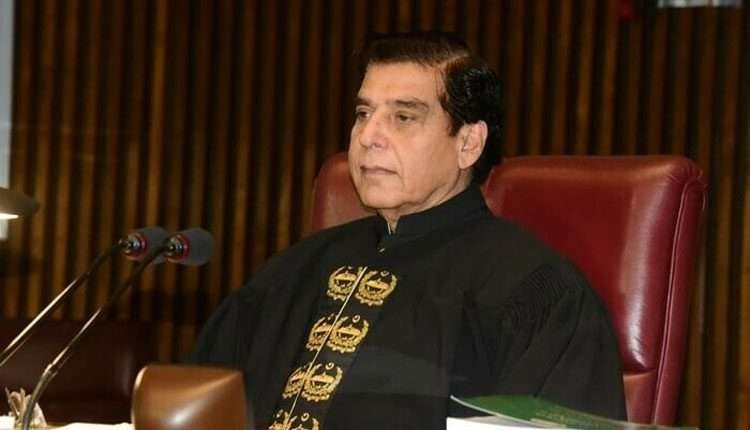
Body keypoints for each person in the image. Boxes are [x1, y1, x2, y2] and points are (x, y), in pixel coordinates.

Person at [189, 32, 626, 429]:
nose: (368, 136)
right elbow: (192, 403)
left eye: (403, 117)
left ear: (468, 143)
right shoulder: (290, 274)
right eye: (363, 113)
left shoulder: (536, 293)